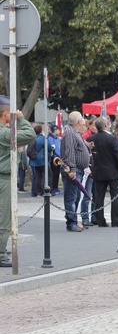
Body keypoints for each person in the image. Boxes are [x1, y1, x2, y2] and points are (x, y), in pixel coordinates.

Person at [1, 97, 37, 267]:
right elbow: (30, 135)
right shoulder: (4, 133)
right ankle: (0, 255)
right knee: (4, 217)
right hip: (3, 178)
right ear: (6, 113)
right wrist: (21, 119)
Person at [88, 117, 118, 227]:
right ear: (106, 126)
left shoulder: (91, 138)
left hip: (98, 171)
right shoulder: (112, 138)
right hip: (112, 171)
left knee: (99, 197)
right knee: (115, 196)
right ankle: (116, 220)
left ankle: (100, 220)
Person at [60, 112, 92, 232]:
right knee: (71, 197)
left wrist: (88, 146)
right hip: (73, 170)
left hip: (78, 169)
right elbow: (69, 152)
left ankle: (74, 220)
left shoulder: (74, 133)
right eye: (83, 122)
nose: (84, 124)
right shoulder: (70, 133)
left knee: (76, 196)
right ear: (79, 122)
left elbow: (78, 148)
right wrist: (72, 169)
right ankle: (71, 222)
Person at [28, 125, 47, 197]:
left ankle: (34, 191)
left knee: (35, 176)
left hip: (32, 159)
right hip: (39, 159)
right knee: (41, 176)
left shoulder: (31, 138)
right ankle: (39, 191)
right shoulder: (41, 138)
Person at [48, 124, 62, 195]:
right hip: (54, 158)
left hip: (59, 158)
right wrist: (60, 155)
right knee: (54, 173)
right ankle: (54, 188)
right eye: (57, 130)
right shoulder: (50, 138)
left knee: (57, 173)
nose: (59, 131)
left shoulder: (58, 138)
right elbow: (53, 149)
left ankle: (56, 187)